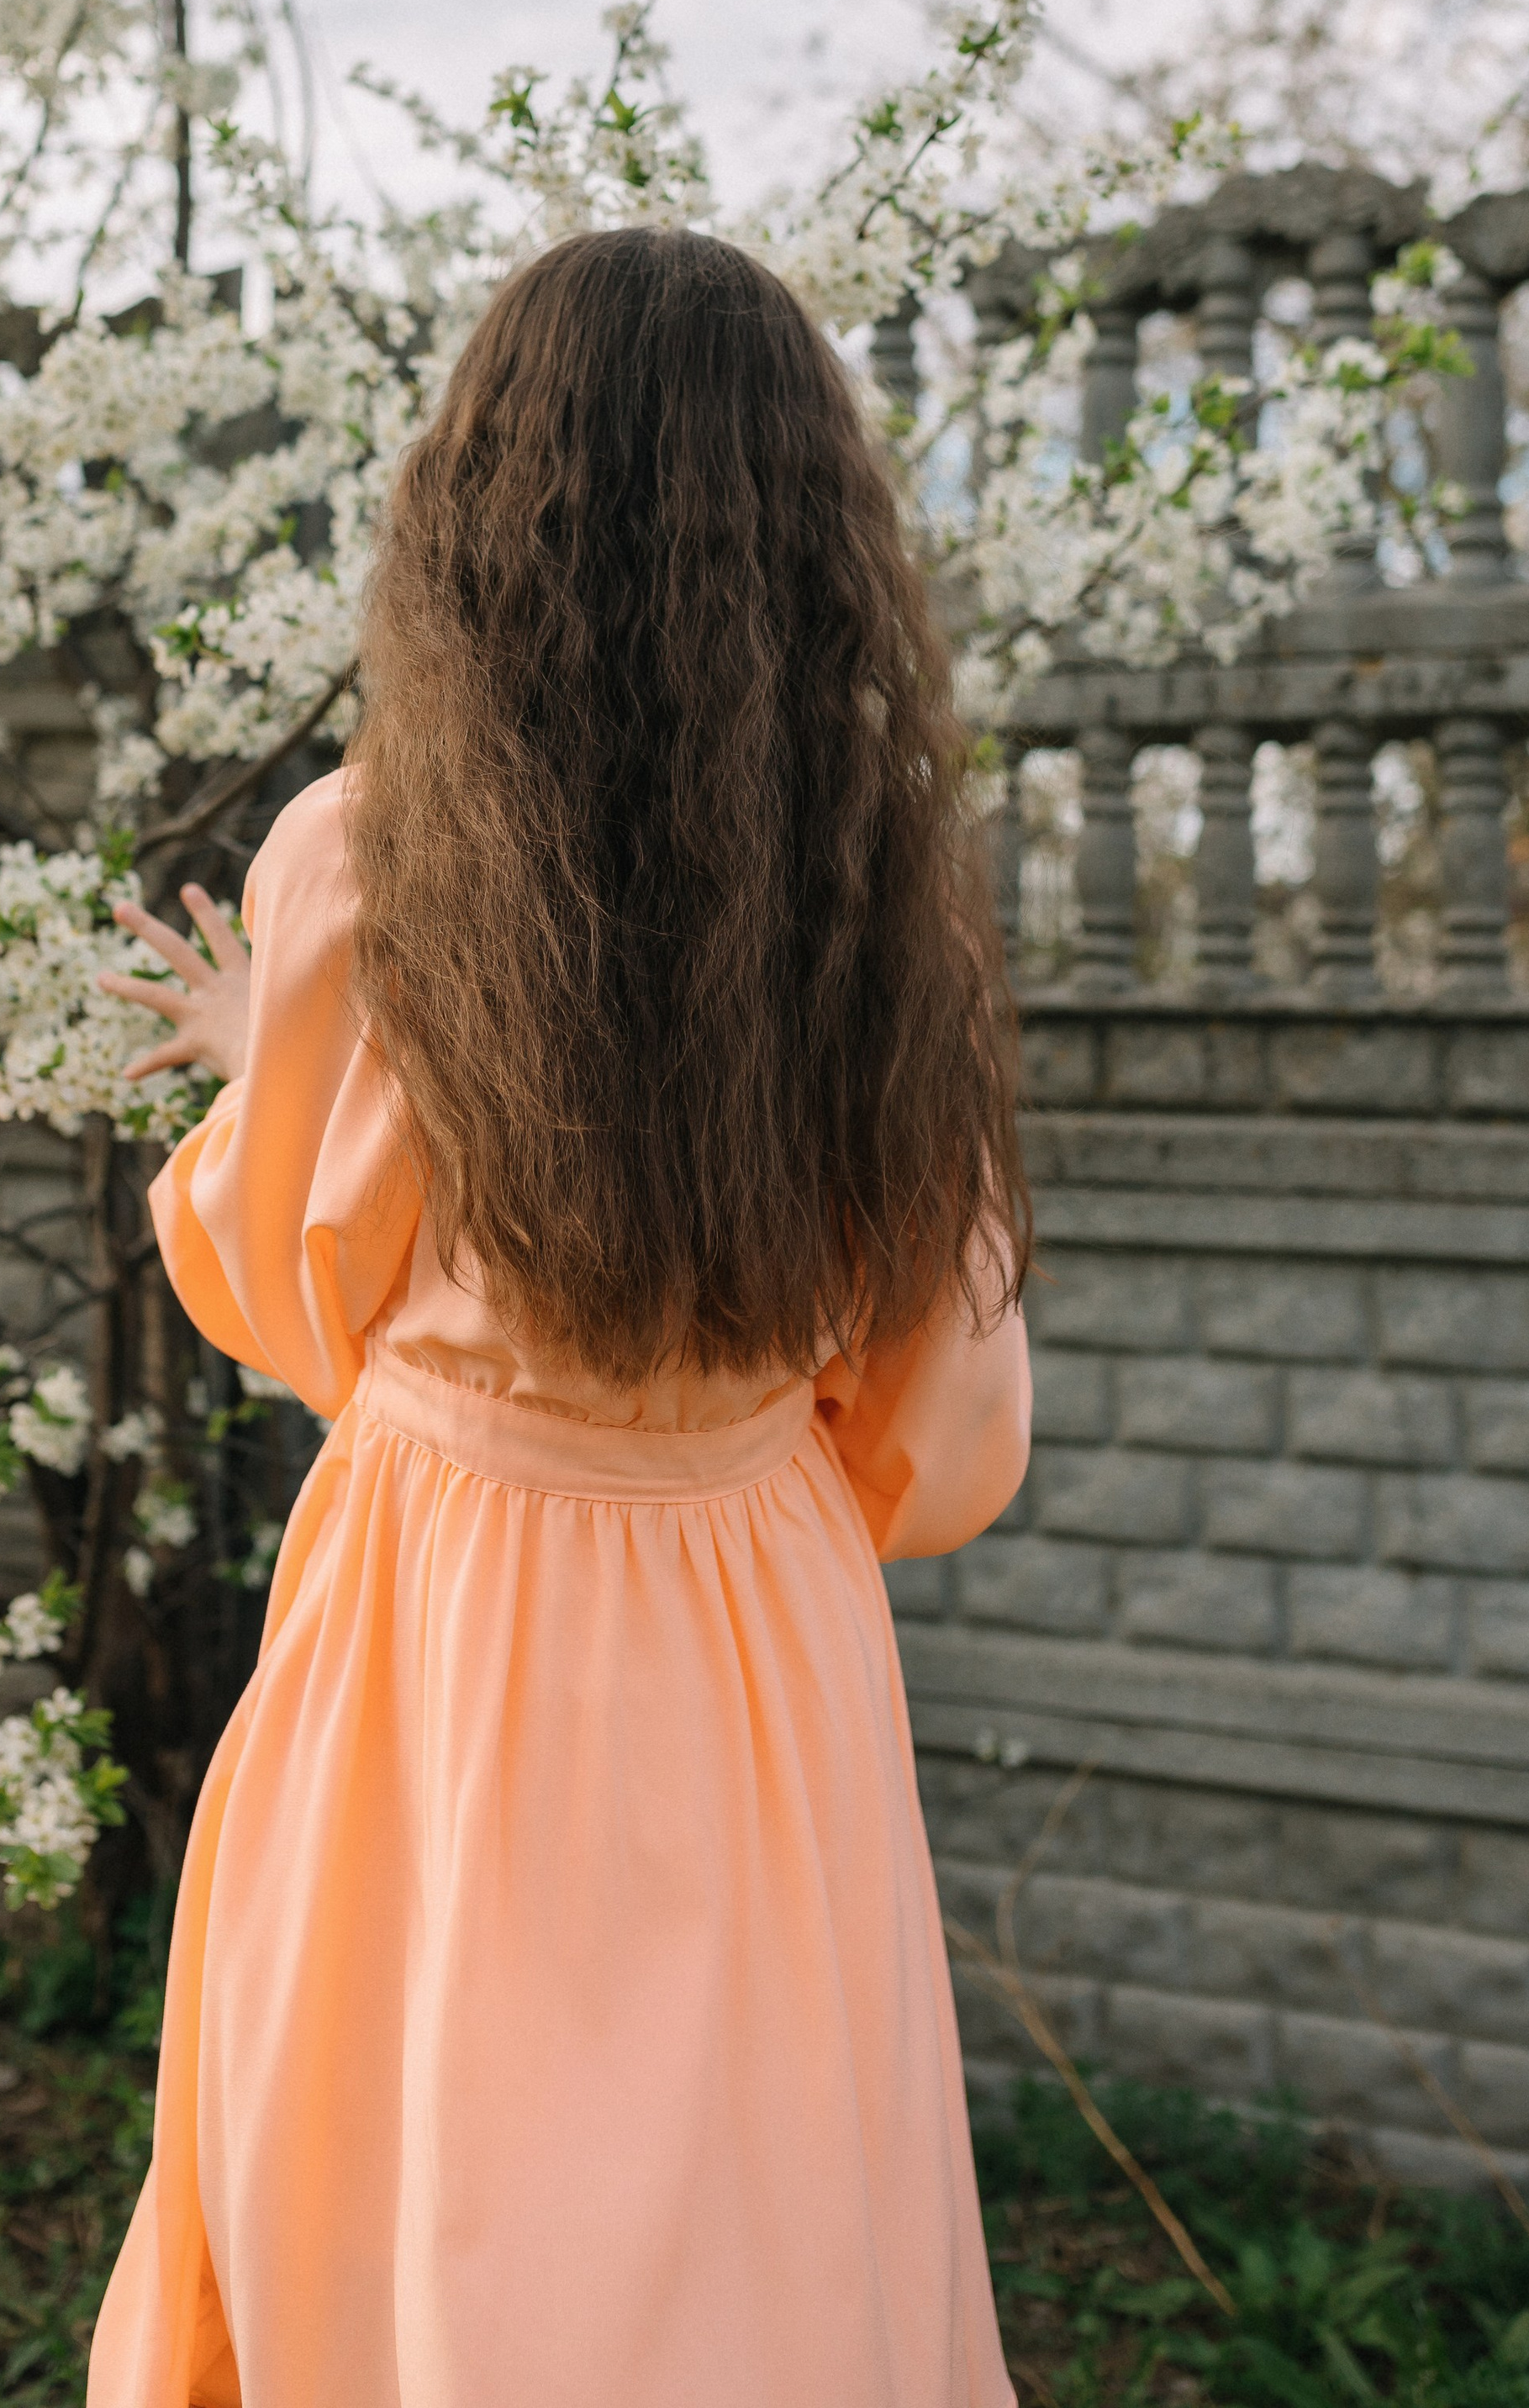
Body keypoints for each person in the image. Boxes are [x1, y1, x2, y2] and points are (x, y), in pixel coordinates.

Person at [87, 226, 1033, 2408]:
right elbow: (945, 1437)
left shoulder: (358, 865)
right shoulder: (883, 886)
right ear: (819, 536)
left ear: (479, 504)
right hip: (752, 1637)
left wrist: (275, 1044)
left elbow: (300, 1293)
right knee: (755, 2222)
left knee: (419, 2185)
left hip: (446, 1614)